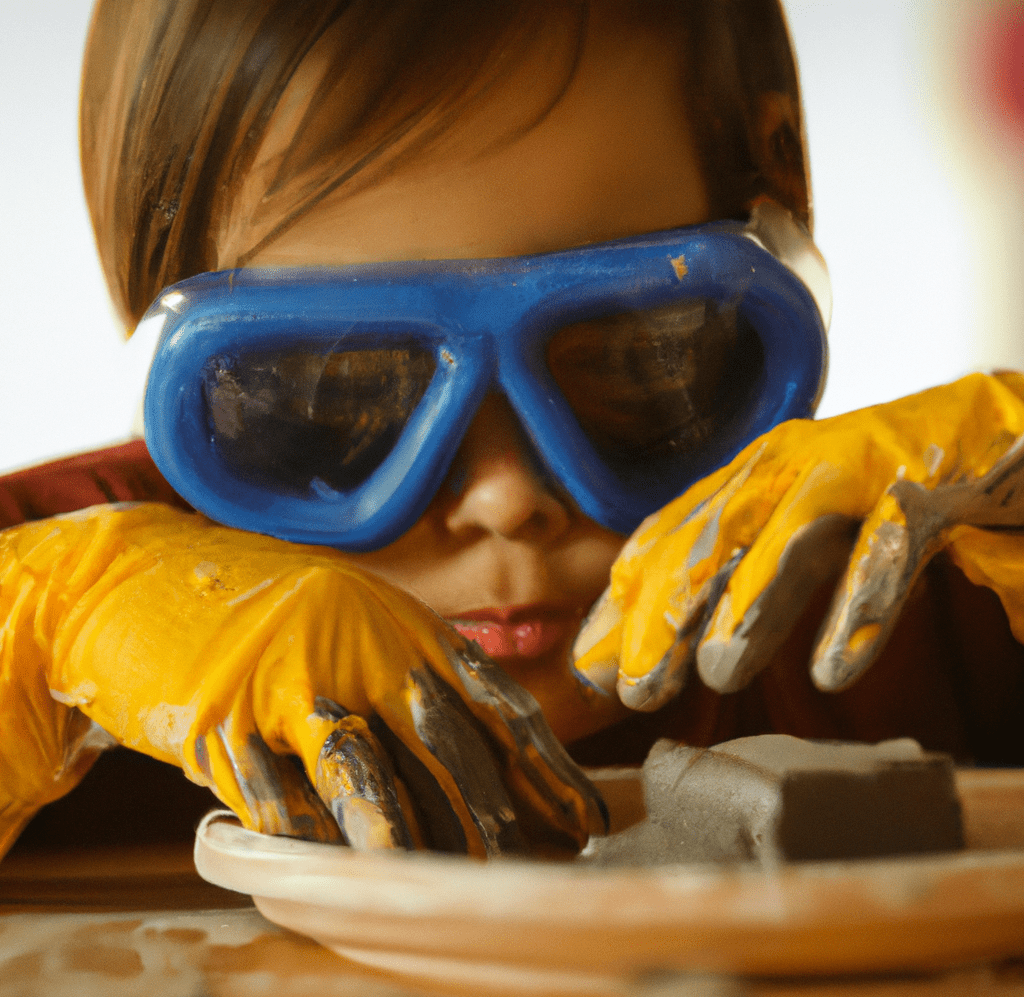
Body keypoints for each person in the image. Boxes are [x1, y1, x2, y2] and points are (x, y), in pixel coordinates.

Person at [1, 0, 1022, 861]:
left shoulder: (933, 587)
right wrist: (39, 640)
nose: (505, 495)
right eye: (337, 393)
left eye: (631, 356)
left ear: (783, 200)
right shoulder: (52, 614)